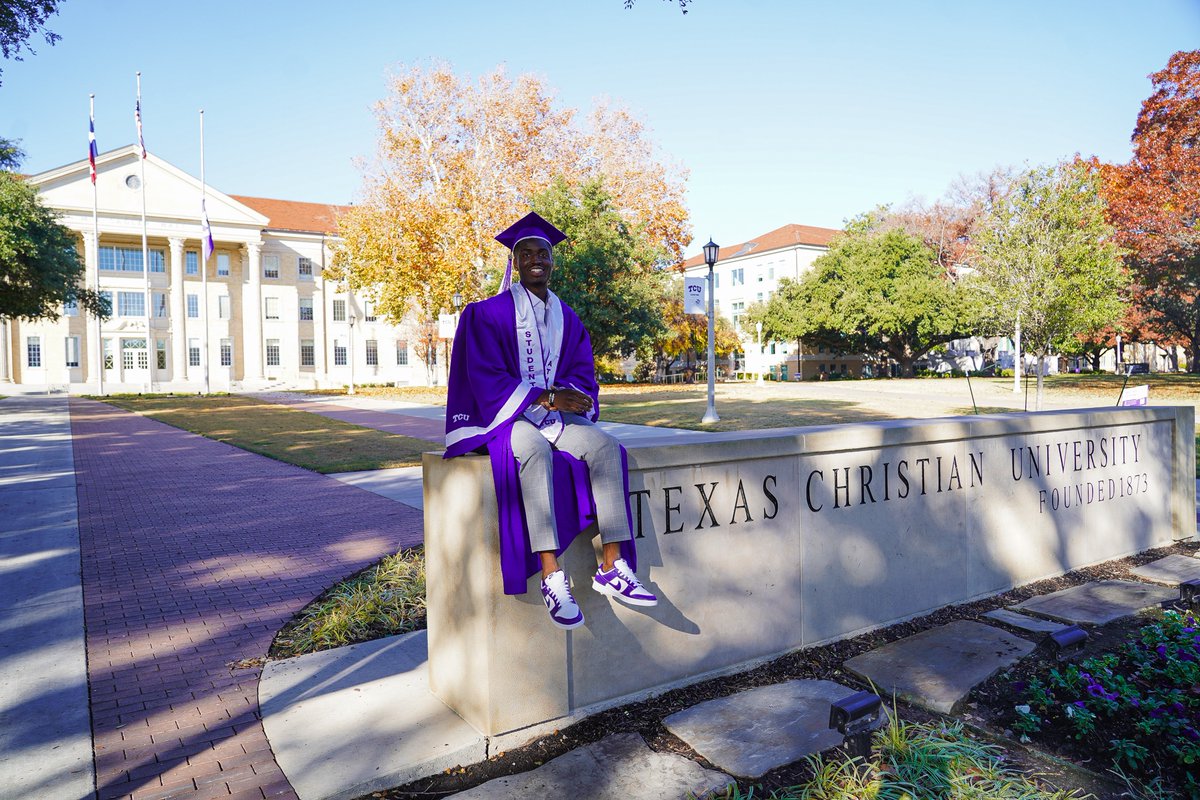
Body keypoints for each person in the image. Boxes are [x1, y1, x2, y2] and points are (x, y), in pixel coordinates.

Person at [444, 211, 657, 630]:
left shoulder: (568, 317)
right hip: (508, 417)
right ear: (515, 263)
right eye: (527, 254)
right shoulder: (487, 315)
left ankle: (613, 566)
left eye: (544, 253)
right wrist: (543, 397)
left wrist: (568, 398)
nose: (536, 259)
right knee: (535, 452)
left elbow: (581, 371)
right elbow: (484, 376)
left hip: (555, 414)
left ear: (552, 262)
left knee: (605, 447)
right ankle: (551, 575)